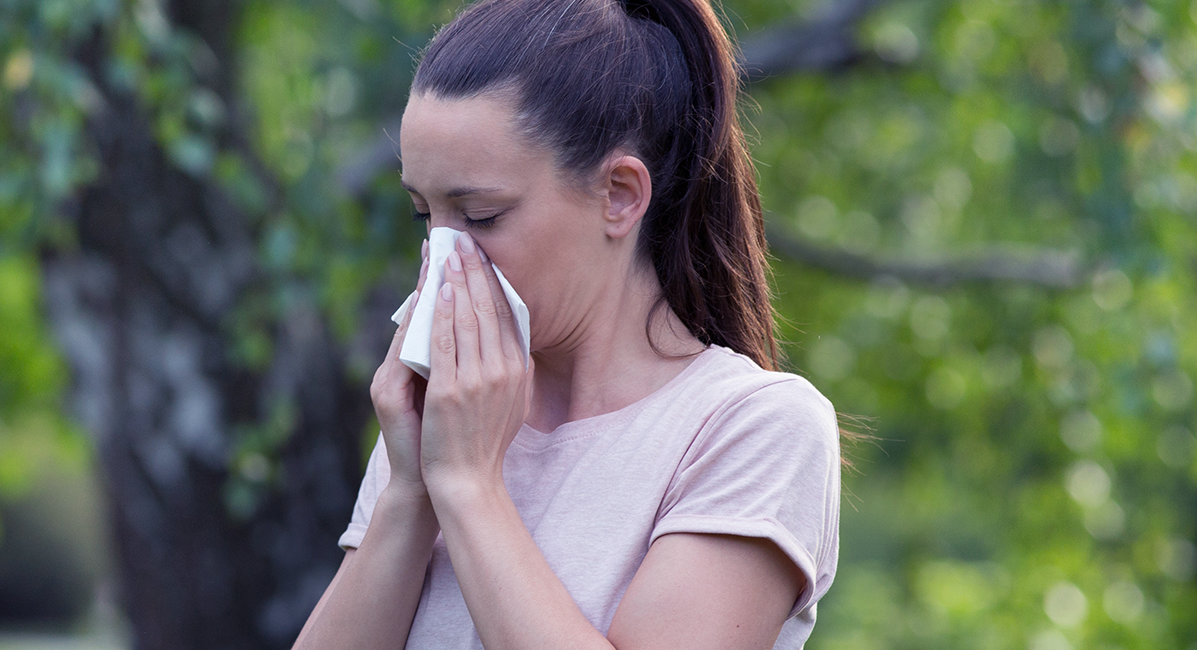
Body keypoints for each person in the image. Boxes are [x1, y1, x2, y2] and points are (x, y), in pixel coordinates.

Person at [293, 1, 842, 649]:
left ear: (619, 195)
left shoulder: (751, 427)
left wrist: (468, 485)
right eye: (424, 216)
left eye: (481, 216)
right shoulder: (447, 410)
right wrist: (411, 489)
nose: (441, 260)